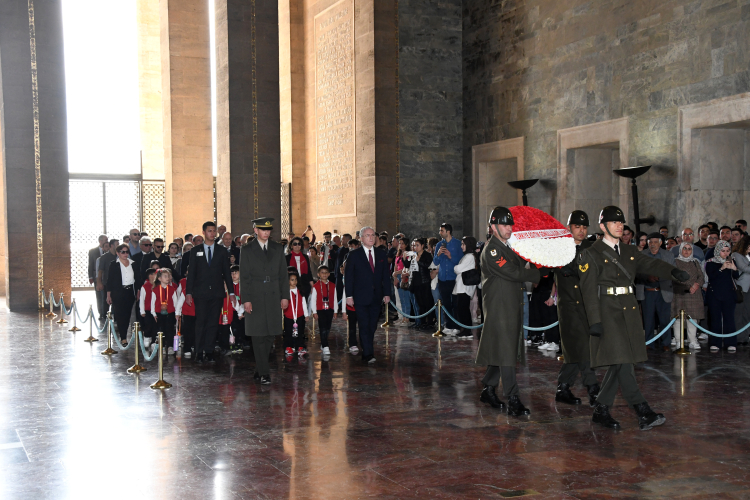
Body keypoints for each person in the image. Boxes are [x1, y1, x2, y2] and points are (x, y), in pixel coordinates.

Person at [577, 206, 689, 430]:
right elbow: (588, 291)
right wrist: (594, 320)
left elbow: (651, 263)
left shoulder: (629, 251)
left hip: (628, 311)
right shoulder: (591, 253)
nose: (619, 226)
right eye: (614, 222)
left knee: (620, 361)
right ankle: (642, 410)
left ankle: (601, 410)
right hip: (607, 311)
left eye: (621, 222)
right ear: (603, 226)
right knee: (624, 362)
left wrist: (673, 272)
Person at [476, 207, 540, 415]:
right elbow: (512, 271)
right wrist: (536, 275)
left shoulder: (506, 247)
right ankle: (513, 398)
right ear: (493, 227)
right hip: (499, 307)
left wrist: (536, 258)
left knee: (502, 348)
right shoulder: (492, 250)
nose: (509, 228)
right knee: (507, 352)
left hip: (509, 306)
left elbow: (519, 262)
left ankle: (488, 388)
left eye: (510, 224)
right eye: (504, 224)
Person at [554, 211, 599, 406]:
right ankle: (593, 388)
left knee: (576, 349)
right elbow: (542, 268)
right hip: (569, 306)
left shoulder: (591, 248)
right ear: (569, 228)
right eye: (577, 226)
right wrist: (556, 265)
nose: (581, 231)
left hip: (588, 305)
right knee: (583, 347)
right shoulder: (559, 249)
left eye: (584, 227)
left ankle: (563, 388)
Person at [240, 217, 289, 384]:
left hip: (274, 295)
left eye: (268, 230)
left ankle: (259, 369)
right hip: (255, 295)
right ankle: (264, 373)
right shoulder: (247, 249)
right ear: (256, 230)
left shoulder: (277, 247)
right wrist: (246, 299)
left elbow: (283, 274)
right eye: (263, 229)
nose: (266, 232)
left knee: (270, 334)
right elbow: (244, 277)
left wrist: (285, 296)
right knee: (258, 335)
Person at [185, 221, 236, 364]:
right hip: (200, 292)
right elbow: (191, 273)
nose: (212, 233)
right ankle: (199, 351)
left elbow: (227, 273)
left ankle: (209, 351)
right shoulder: (195, 251)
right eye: (209, 231)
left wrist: (231, 292)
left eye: (214, 231)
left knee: (213, 323)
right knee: (201, 322)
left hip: (217, 292)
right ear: (204, 232)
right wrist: (188, 292)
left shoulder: (221, 251)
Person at [344, 226, 391, 364]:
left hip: (376, 296)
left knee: (372, 325)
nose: (371, 237)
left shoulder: (381, 254)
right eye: (368, 235)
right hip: (360, 296)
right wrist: (349, 296)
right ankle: (368, 353)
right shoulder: (354, 255)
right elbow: (349, 277)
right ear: (361, 238)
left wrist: (387, 293)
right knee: (364, 325)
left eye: (373, 235)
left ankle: (367, 347)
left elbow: (385, 275)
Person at [640, 233, 675, 352]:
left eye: (655, 242)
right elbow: (636, 271)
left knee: (665, 320)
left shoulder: (668, 255)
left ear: (660, 243)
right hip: (648, 292)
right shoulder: (642, 255)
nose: (652, 244)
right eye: (650, 242)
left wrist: (660, 276)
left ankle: (666, 343)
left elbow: (672, 271)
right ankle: (649, 343)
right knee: (648, 320)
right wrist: (647, 277)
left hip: (663, 291)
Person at [705, 239, 739, 353]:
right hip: (714, 295)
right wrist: (721, 268)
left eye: (728, 251)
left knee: (729, 319)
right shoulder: (710, 262)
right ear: (718, 250)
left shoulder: (731, 260)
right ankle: (715, 343)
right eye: (723, 251)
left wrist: (734, 269)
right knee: (715, 319)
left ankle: (731, 343)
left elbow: (736, 276)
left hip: (729, 295)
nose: (726, 253)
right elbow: (711, 277)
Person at [671, 242, 705, 351]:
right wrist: (688, 286)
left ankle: (692, 341)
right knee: (678, 319)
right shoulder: (675, 262)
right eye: (684, 248)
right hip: (680, 294)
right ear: (680, 250)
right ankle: (678, 341)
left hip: (694, 294)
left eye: (689, 249)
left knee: (693, 319)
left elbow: (701, 276)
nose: (686, 251)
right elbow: (674, 277)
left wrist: (696, 285)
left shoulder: (695, 262)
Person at [434, 223, 463, 335]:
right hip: (443, 278)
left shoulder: (458, 244)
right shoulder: (439, 244)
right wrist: (438, 254)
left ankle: (456, 326)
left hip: (454, 277)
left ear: (448, 231)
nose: (440, 232)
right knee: (445, 303)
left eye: (442, 230)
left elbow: (461, 260)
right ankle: (448, 325)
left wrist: (451, 256)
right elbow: (435, 262)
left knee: (455, 303)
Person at [106, 244, 138, 344]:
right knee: (120, 314)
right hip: (118, 292)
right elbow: (109, 280)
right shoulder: (114, 264)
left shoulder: (133, 264)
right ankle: (123, 337)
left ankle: (124, 333)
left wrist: (138, 292)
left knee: (127, 314)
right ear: (118, 253)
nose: (125, 254)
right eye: (122, 252)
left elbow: (138, 279)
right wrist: (108, 295)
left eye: (127, 252)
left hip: (130, 292)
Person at [309, 265, 340, 358]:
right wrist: (314, 312)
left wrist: (335, 310)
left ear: (329, 274)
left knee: (327, 327)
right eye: (322, 272)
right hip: (320, 310)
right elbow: (313, 300)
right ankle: (325, 345)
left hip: (330, 309)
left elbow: (335, 298)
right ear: (318, 274)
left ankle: (323, 343)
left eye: (326, 272)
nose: (324, 274)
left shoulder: (333, 285)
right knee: (322, 327)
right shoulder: (316, 286)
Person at [452, 236, 479, 339]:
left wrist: (455, 267)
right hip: (462, 287)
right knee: (461, 308)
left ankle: (467, 331)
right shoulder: (467, 256)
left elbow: (458, 269)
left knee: (463, 309)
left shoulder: (470, 257)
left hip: (465, 287)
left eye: (463, 244)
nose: (461, 246)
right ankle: (464, 329)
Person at [407, 238, 434, 329]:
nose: (415, 247)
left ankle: (430, 322)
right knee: (420, 304)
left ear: (422, 246)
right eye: (414, 245)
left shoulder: (427, 255)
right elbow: (409, 266)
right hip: (416, 282)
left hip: (425, 282)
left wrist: (419, 261)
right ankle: (422, 322)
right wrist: (405, 259)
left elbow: (428, 266)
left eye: (417, 245)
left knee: (427, 303)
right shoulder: (414, 255)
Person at [151, 268, 178, 355]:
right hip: (159, 314)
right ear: (159, 278)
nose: (168, 278)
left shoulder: (172, 289)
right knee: (160, 330)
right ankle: (161, 346)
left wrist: (177, 313)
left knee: (170, 330)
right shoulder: (155, 290)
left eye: (168, 276)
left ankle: (170, 346)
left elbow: (175, 302)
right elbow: (152, 303)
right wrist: (154, 314)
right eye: (165, 276)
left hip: (170, 313)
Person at [732, 235, 750, 346]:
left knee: (747, 313)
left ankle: (745, 336)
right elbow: (743, 268)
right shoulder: (736, 255)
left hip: (749, 288)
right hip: (742, 288)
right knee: (739, 313)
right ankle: (738, 337)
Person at [175, 270, 195, 358]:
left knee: (196, 331)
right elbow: (180, 302)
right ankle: (187, 348)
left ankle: (195, 346)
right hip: (187, 314)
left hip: (198, 314)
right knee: (188, 332)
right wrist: (177, 313)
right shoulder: (185, 291)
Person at [89, 235, 108, 316]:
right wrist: (90, 276)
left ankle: (107, 312)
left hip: (106, 276)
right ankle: (101, 313)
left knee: (106, 294)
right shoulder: (92, 251)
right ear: (100, 241)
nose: (107, 241)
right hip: (97, 276)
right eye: (105, 240)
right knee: (99, 295)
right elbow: (91, 264)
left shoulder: (109, 250)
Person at [139, 268, 157, 347]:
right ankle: (147, 337)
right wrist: (142, 311)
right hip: (147, 310)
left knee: (155, 326)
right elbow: (142, 299)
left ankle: (154, 341)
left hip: (156, 310)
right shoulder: (144, 287)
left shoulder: (158, 286)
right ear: (150, 276)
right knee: (148, 325)